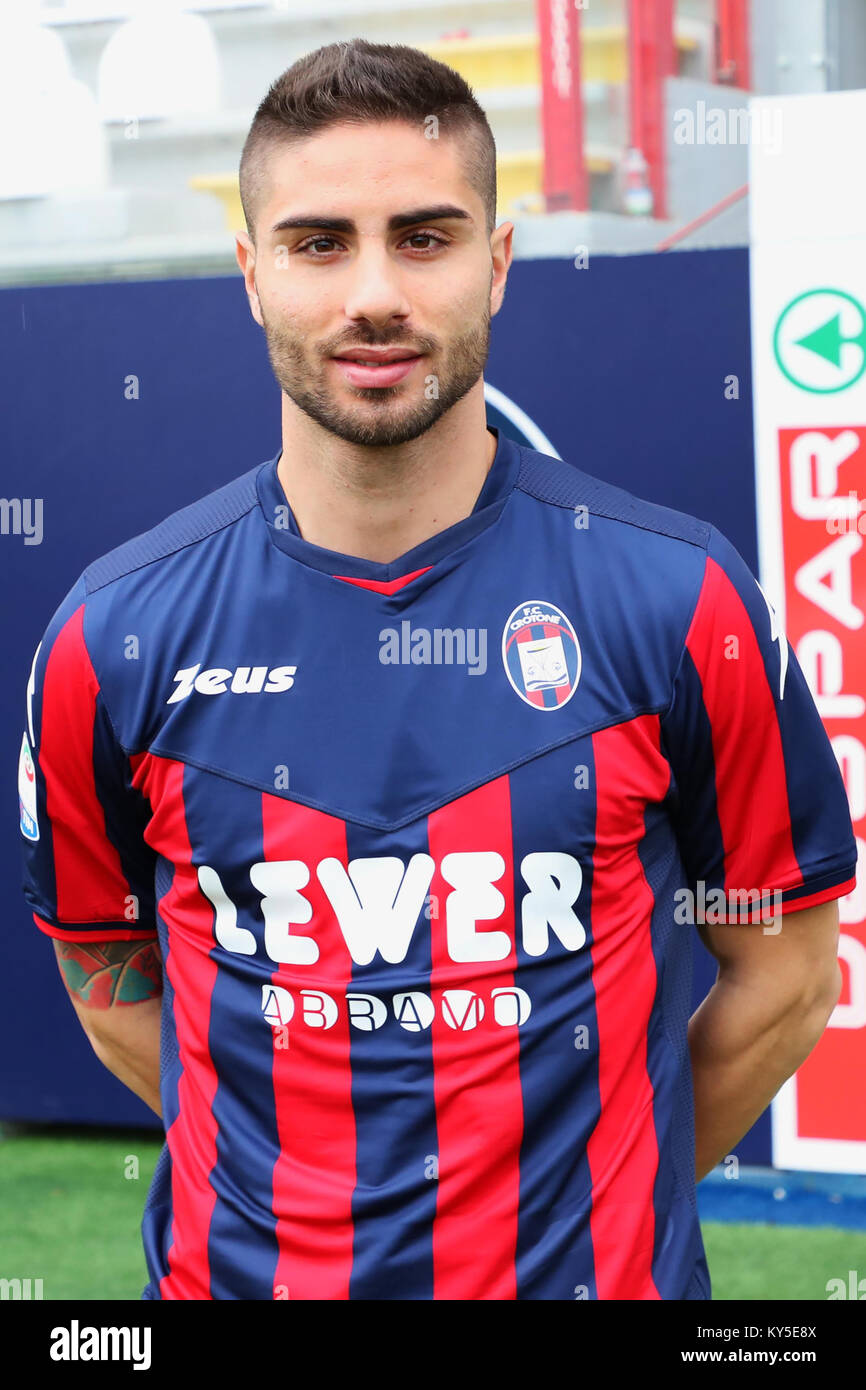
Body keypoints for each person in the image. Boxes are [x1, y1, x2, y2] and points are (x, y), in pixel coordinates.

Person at [19, 39, 857, 1301]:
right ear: (250, 276)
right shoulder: (113, 635)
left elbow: (785, 975)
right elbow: (108, 976)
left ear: (497, 264)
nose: (372, 293)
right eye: (316, 243)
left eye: (424, 236)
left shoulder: (683, 602)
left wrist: (600, 1191)